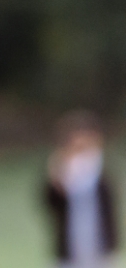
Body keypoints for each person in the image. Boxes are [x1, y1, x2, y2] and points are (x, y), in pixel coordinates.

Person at [45, 111, 119, 268]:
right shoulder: (60, 169)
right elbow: (51, 203)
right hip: (69, 249)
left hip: (100, 248)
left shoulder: (101, 168)